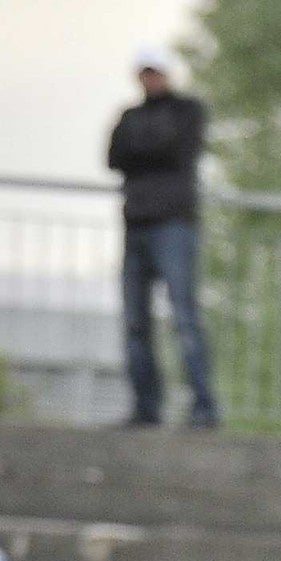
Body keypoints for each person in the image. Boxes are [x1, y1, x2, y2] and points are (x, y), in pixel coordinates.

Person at [106, 49, 216, 432]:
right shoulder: (130, 116)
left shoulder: (188, 111)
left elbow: (173, 149)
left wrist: (144, 150)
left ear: (167, 74)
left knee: (184, 316)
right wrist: (150, 149)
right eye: (144, 73)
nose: (150, 80)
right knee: (136, 321)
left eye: (156, 72)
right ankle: (146, 407)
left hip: (174, 225)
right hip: (136, 223)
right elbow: (115, 156)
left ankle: (204, 408)